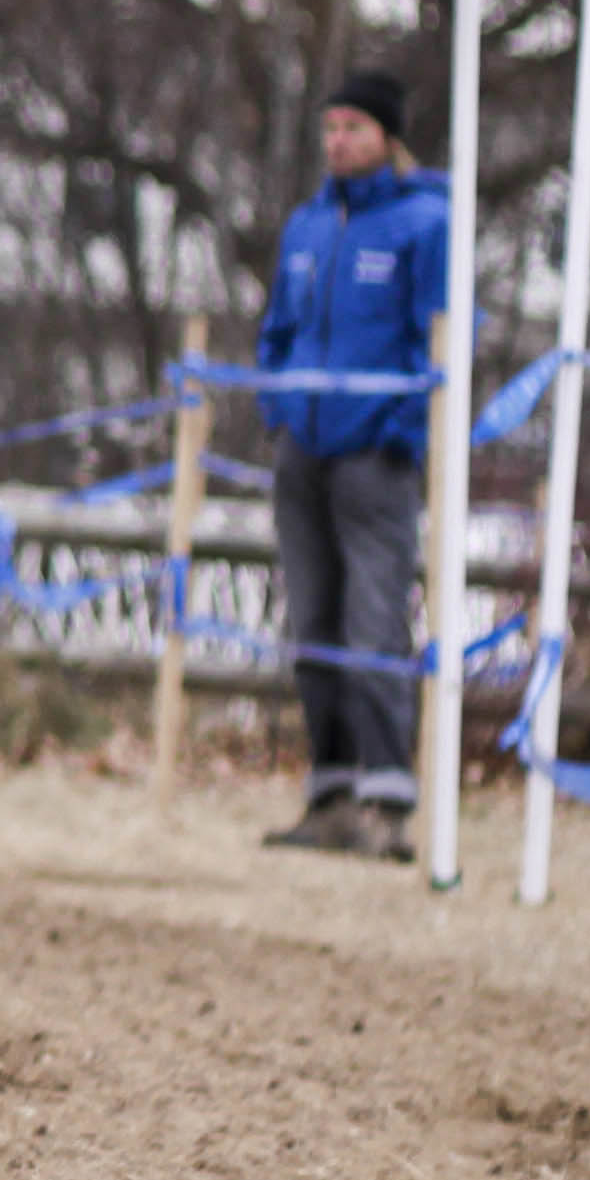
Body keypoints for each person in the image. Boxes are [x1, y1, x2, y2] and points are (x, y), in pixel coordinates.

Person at [254, 68, 449, 862]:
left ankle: (389, 803)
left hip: (377, 459)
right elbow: (276, 332)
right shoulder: (307, 226)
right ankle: (328, 796)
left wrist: (402, 430)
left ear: (388, 136)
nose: (338, 141)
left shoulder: (424, 223)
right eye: (330, 127)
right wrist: (278, 412)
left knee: (375, 624)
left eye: (354, 128)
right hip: (304, 451)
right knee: (312, 625)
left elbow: (441, 338)